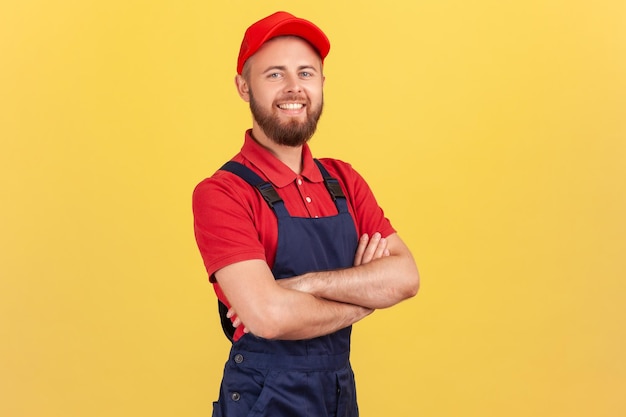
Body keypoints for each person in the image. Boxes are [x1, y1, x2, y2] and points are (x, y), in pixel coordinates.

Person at [192, 11, 419, 417]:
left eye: (306, 73)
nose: (294, 88)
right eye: (275, 74)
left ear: (321, 84)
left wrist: (298, 286)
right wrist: (364, 300)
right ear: (244, 87)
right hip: (264, 399)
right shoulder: (222, 193)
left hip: (338, 394)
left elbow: (405, 277)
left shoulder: (344, 181)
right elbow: (269, 317)